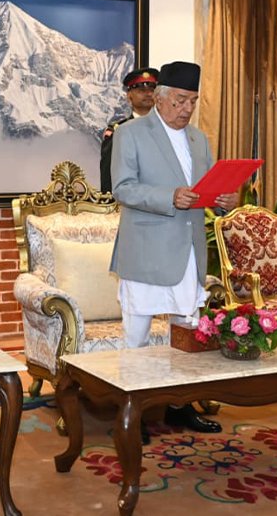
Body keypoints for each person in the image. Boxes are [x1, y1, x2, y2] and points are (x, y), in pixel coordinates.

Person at [109, 61, 239, 441]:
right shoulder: (130, 134)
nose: (186, 109)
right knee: (137, 334)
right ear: (161, 98)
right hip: (147, 249)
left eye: (193, 101)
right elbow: (123, 188)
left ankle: (181, 407)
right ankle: (134, 412)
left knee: (188, 334)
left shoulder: (200, 139)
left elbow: (207, 190)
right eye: (180, 100)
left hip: (189, 251)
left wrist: (224, 199)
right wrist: (169, 197)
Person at [100, 67, 158, 192]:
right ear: (129, 96)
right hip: (130, 205)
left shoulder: (167, 129)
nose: (148, 94)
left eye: (152, 90)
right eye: (141, 90)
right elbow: (108, 175)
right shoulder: (117, 132)